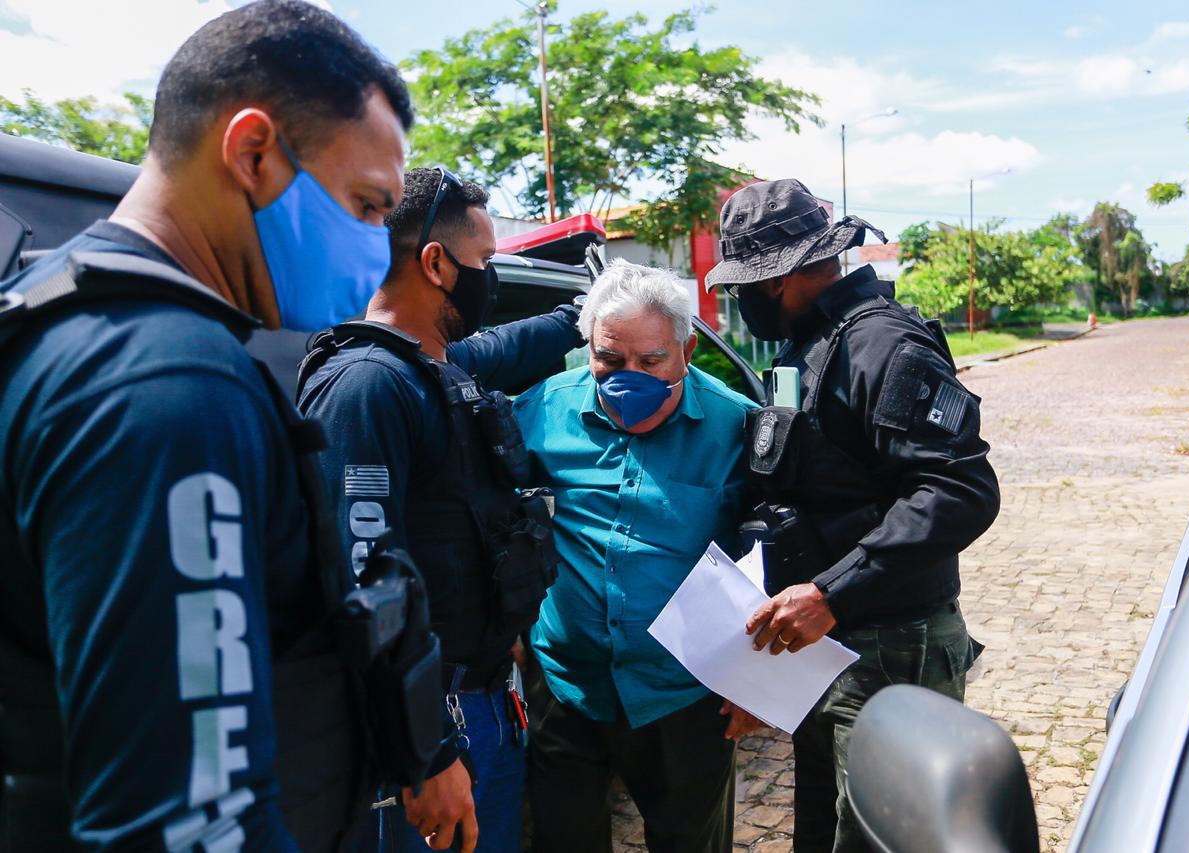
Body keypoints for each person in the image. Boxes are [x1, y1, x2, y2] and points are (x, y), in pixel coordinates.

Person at [0, 2, 428, 849]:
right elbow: (186, 820)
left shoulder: (63, 323)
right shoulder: (164, 384)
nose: (380, 250)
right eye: (368, 206)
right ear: (253, 152)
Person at [704, 178, 1001, 853]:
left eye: (743, 285)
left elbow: (961, 488)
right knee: (826, 830)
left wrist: (832, 592)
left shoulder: (883, 345)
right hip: (823, 649)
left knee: (889, 836)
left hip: (890, 649)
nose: (741, 300)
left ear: (775, 279)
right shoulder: (806, 344)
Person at [296, 166, 583, 853]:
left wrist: (581, 315)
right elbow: (366, 582)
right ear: (435, 262)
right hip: (431, 724)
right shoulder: (367, 386)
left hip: (481, 700)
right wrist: (425, 751)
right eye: (485, 260)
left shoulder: (434, 365)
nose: (492, 277)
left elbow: (510, 350)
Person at [511, 261, 760, 853]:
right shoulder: (542, 410)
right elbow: (494, 515)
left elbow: (767, 558)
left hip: (685, 692)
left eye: (650, 363)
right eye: (609, 361)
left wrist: (755, 680)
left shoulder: (736, 425)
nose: (629, 377)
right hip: (567, 685)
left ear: (686, 348)